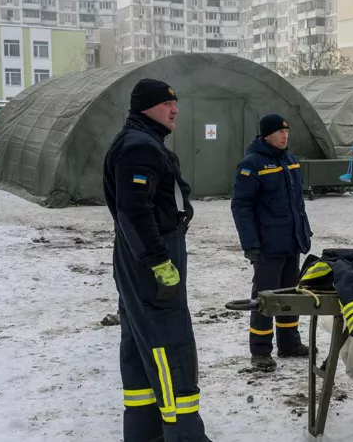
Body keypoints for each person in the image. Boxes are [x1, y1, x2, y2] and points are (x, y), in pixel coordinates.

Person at [103, 79, 212, 441]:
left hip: (139, 254)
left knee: (139, 341)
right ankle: (184, 435)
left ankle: (144, 433)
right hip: (151, 258)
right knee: (170, 344)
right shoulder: (139, 147)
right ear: (147, 108)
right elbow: (133, 210)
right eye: (168, 104)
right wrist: (157, 260)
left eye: (175, 103)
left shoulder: (140, 142)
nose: (175, 109)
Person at [230, 114, 313, 372]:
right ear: (266, 135)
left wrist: (304, 232)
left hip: (291, 241)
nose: (285, 136)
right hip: (267, 245)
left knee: (290, 295)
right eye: (279, 132)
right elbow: (241, 207)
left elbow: (297, 204)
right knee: (265, 298)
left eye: (287, 131)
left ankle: (289, 343)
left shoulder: (291, 161)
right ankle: (261, 350)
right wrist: (250, 244)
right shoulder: (252, 165)